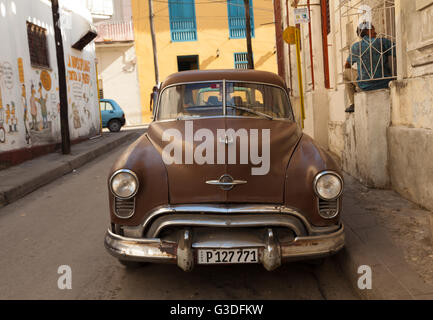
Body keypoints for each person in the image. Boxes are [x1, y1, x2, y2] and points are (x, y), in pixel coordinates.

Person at [344, 22, 396, 112]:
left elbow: (347, 65)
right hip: (384, 82)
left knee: (345, 74)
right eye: (373, 29)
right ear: (368, 31)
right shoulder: (382, 42)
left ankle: (353, 103)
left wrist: (362, 68)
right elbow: (397, 52)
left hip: (365, 85)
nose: (375, 32)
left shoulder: (356, 47)